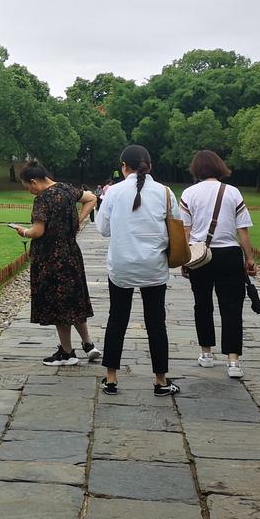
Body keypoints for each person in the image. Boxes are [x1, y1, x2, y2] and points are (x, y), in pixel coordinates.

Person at [95, 145, 178, 397]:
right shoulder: (165, 192)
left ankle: (111, 378)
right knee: (156, 322)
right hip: (154, 266)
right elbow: (176, 225)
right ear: (149, 166)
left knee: (117, 319)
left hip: (121, 265)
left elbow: (103, 229)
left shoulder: (114, 192)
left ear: (123, 167)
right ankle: (161, 380)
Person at [179, 151, 257, 380]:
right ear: (219, 167)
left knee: (202, 304)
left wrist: (184, 258)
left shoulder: (189, 193)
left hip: (200, 254)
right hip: (229, 254)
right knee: (232, 307)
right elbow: (243, 229)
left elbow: (186, 230)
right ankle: (233, 361)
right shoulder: (232, 192)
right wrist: (249, 257)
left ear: (196, 169)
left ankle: (206, 352)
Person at [13, 164, 99, 365]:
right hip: (71, 254)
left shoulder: (43, 199)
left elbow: (38, 231)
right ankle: (88, 344)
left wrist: (22, 231)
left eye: (28, 187)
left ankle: (67, 353)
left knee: (59, 305)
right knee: (74, 300)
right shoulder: (67, 189)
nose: (30, 191)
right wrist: (77, 220)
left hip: (51, 258)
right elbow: (92, 198)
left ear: (34, 181)